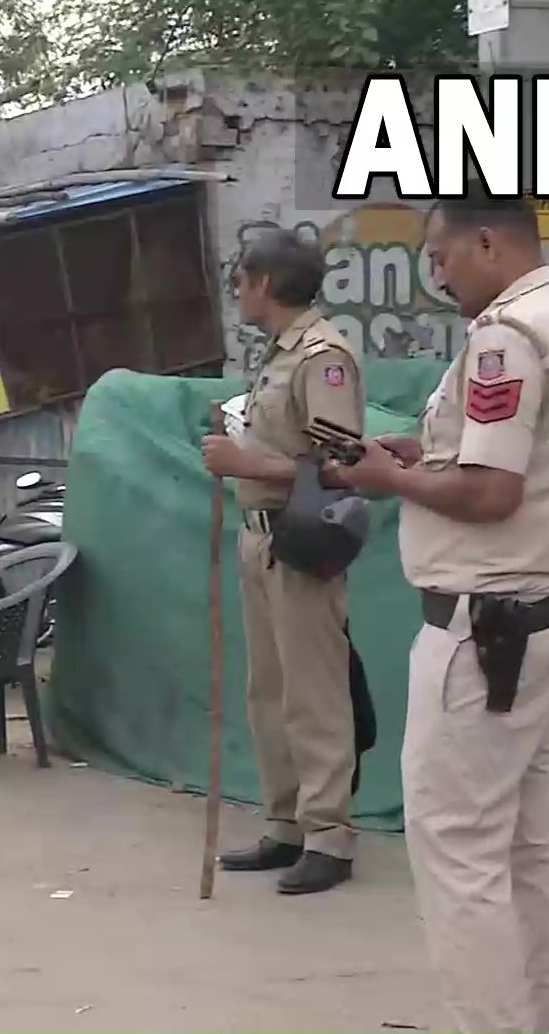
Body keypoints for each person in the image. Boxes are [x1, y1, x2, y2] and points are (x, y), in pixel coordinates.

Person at [336, 196, 549, 1034]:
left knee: (459, 856)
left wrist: (389, 481)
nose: (437, 276)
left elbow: (492, 493)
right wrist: (429, 457)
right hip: (544, 617)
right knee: (532, 849)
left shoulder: (506, 338)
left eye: (443, 258)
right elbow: (507, 460)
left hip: (483, 632)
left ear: (487, 242)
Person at [200, 226, 365, 895]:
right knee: (268, 691)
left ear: (264, 282)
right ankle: (287, 822)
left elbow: (342, 464)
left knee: (314, 692)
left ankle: (330, 836)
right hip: (259, 536)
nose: (237, 289)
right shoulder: (277, 356)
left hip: (302, 537)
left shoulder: (324, 357)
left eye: (242, 278)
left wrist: (247, 461)